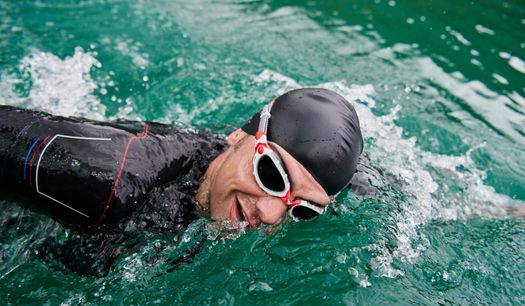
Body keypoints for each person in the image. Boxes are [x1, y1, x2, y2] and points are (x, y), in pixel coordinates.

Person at [0, 88, 363, 275]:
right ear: (239, 135)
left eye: (303, 210)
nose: (270, 215)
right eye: (271, 174)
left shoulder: (244, 170)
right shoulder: (107, 179)